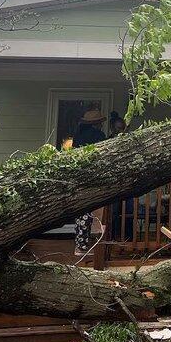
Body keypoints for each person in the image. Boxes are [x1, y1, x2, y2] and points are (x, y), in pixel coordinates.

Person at [72, 109, 107, 255]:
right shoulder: (98, 135)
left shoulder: (78, 136)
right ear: (97, 123)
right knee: (93, 213)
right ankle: (89, 246)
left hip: (79, 178)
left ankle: (80, 244)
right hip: (94, 178)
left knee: (82, 213)